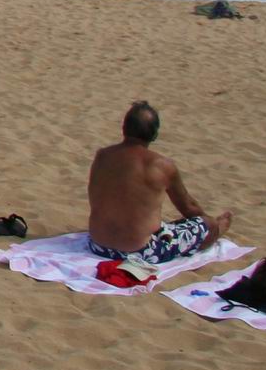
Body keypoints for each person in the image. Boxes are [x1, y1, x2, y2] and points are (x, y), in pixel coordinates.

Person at [86, 101, 232, 265]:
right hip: (139, 251)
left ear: (124, 128)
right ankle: (216, 229)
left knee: (161, 226)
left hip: (98, 245)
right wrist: (206, 223)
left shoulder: (102, 156)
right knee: (208, 226)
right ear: (154, 135)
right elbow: (188, 207)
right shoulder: (161, 166)